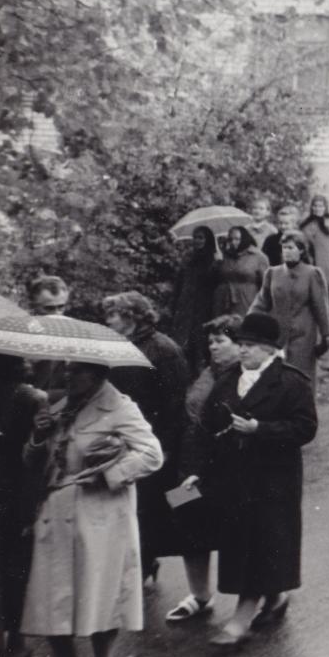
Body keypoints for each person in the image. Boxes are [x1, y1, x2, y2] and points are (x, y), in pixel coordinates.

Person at [22, 361, 163, 657]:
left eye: (78, 371)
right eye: (68, 370)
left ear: (98, 374)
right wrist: (38, 435)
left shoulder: (120, 408)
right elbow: (33, 461)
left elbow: (152, 454)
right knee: (49, 601)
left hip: (99, 513)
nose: (69, 376)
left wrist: (111, 475)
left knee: (100, 595)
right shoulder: (59, 406)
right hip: (55, 512)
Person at [198, 313, 317, 647]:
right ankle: (275, 596)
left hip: (273, 482)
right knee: (245, 544)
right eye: (242, 345)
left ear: (269, 349)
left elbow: (306, 428)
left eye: (250, 346)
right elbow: (207, 425)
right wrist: (199, 469)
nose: (243, 351)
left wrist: (260, 430)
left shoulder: (292, 382)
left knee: (263, 541)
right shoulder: (227, 380)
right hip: (234, 479)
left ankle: (240, 619)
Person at [102, 291, 189, 587]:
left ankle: (148, 563)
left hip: (155, 439)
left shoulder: (163, 349)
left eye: (113, 314)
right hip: (124, 438)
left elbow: (176, 401)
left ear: (132, 316)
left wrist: (163, 444)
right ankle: (141, 562)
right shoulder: (115, 348)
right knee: (132, 504)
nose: (108, 320)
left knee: (156, 505)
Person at [165, 314, 243, 624]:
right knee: (186, 521)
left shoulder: (245, 378)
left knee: (234, 530)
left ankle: (264, 594)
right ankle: (199, 594)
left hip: (221, 471)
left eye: (220, 341)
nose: (213, 347)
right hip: (189, 467)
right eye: (210, 342)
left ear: (239, 345)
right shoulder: (206, 373)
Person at [0, 354, 45, 657]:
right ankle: (11, 642)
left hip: (11, 493)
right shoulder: (27, 395)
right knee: (3, 573)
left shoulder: (27, 397)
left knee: (12, 570)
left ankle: (16, 642)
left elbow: (33, 458)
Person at [249, 230, 329, 387]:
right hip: (277, 336)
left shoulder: (312, 274)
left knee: (299, 378)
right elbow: (261, 302)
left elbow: (320, 307)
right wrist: (249, 322)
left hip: (303, 336)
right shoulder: (272, 273)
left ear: (301, 250)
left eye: (291, 248)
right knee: (276, 378)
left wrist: (327, 334)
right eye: (284, 248)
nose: (286, 252)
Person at [170, 225, 220, 378]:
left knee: (200, 344)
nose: (197, 241)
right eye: (195, 237)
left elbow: (215, 283)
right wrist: (175, 304)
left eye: (201, 238)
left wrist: (217, 264)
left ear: (208, 240)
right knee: (183, 343)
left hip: (204, 308)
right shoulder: (189, 258)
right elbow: (179, 283)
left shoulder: (215, 260)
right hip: (186, 307)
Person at [300, 195, 329, 317]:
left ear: (325, 207)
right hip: (309, 266)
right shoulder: (305, 225)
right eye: (315, 206)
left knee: (327, 301)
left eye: (320, 206)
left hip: (327, 268)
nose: (317, 208)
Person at [213, 226, 269, 316]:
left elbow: (266, 284)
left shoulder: (258, 257)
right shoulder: (224, 256)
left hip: (247, 300)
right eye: (230, 239)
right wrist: (217, 263)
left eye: (237, 239)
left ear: (244, 239)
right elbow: (215, 279)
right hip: (223, 301)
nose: (233, 242)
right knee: (223, 327)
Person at [263, 204, 313, 268]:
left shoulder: (303, 240)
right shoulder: (270, 241)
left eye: (286, 223)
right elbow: (264, 262)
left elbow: (309, 263)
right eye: (280, 223)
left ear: (294, 224)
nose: (283, 226)